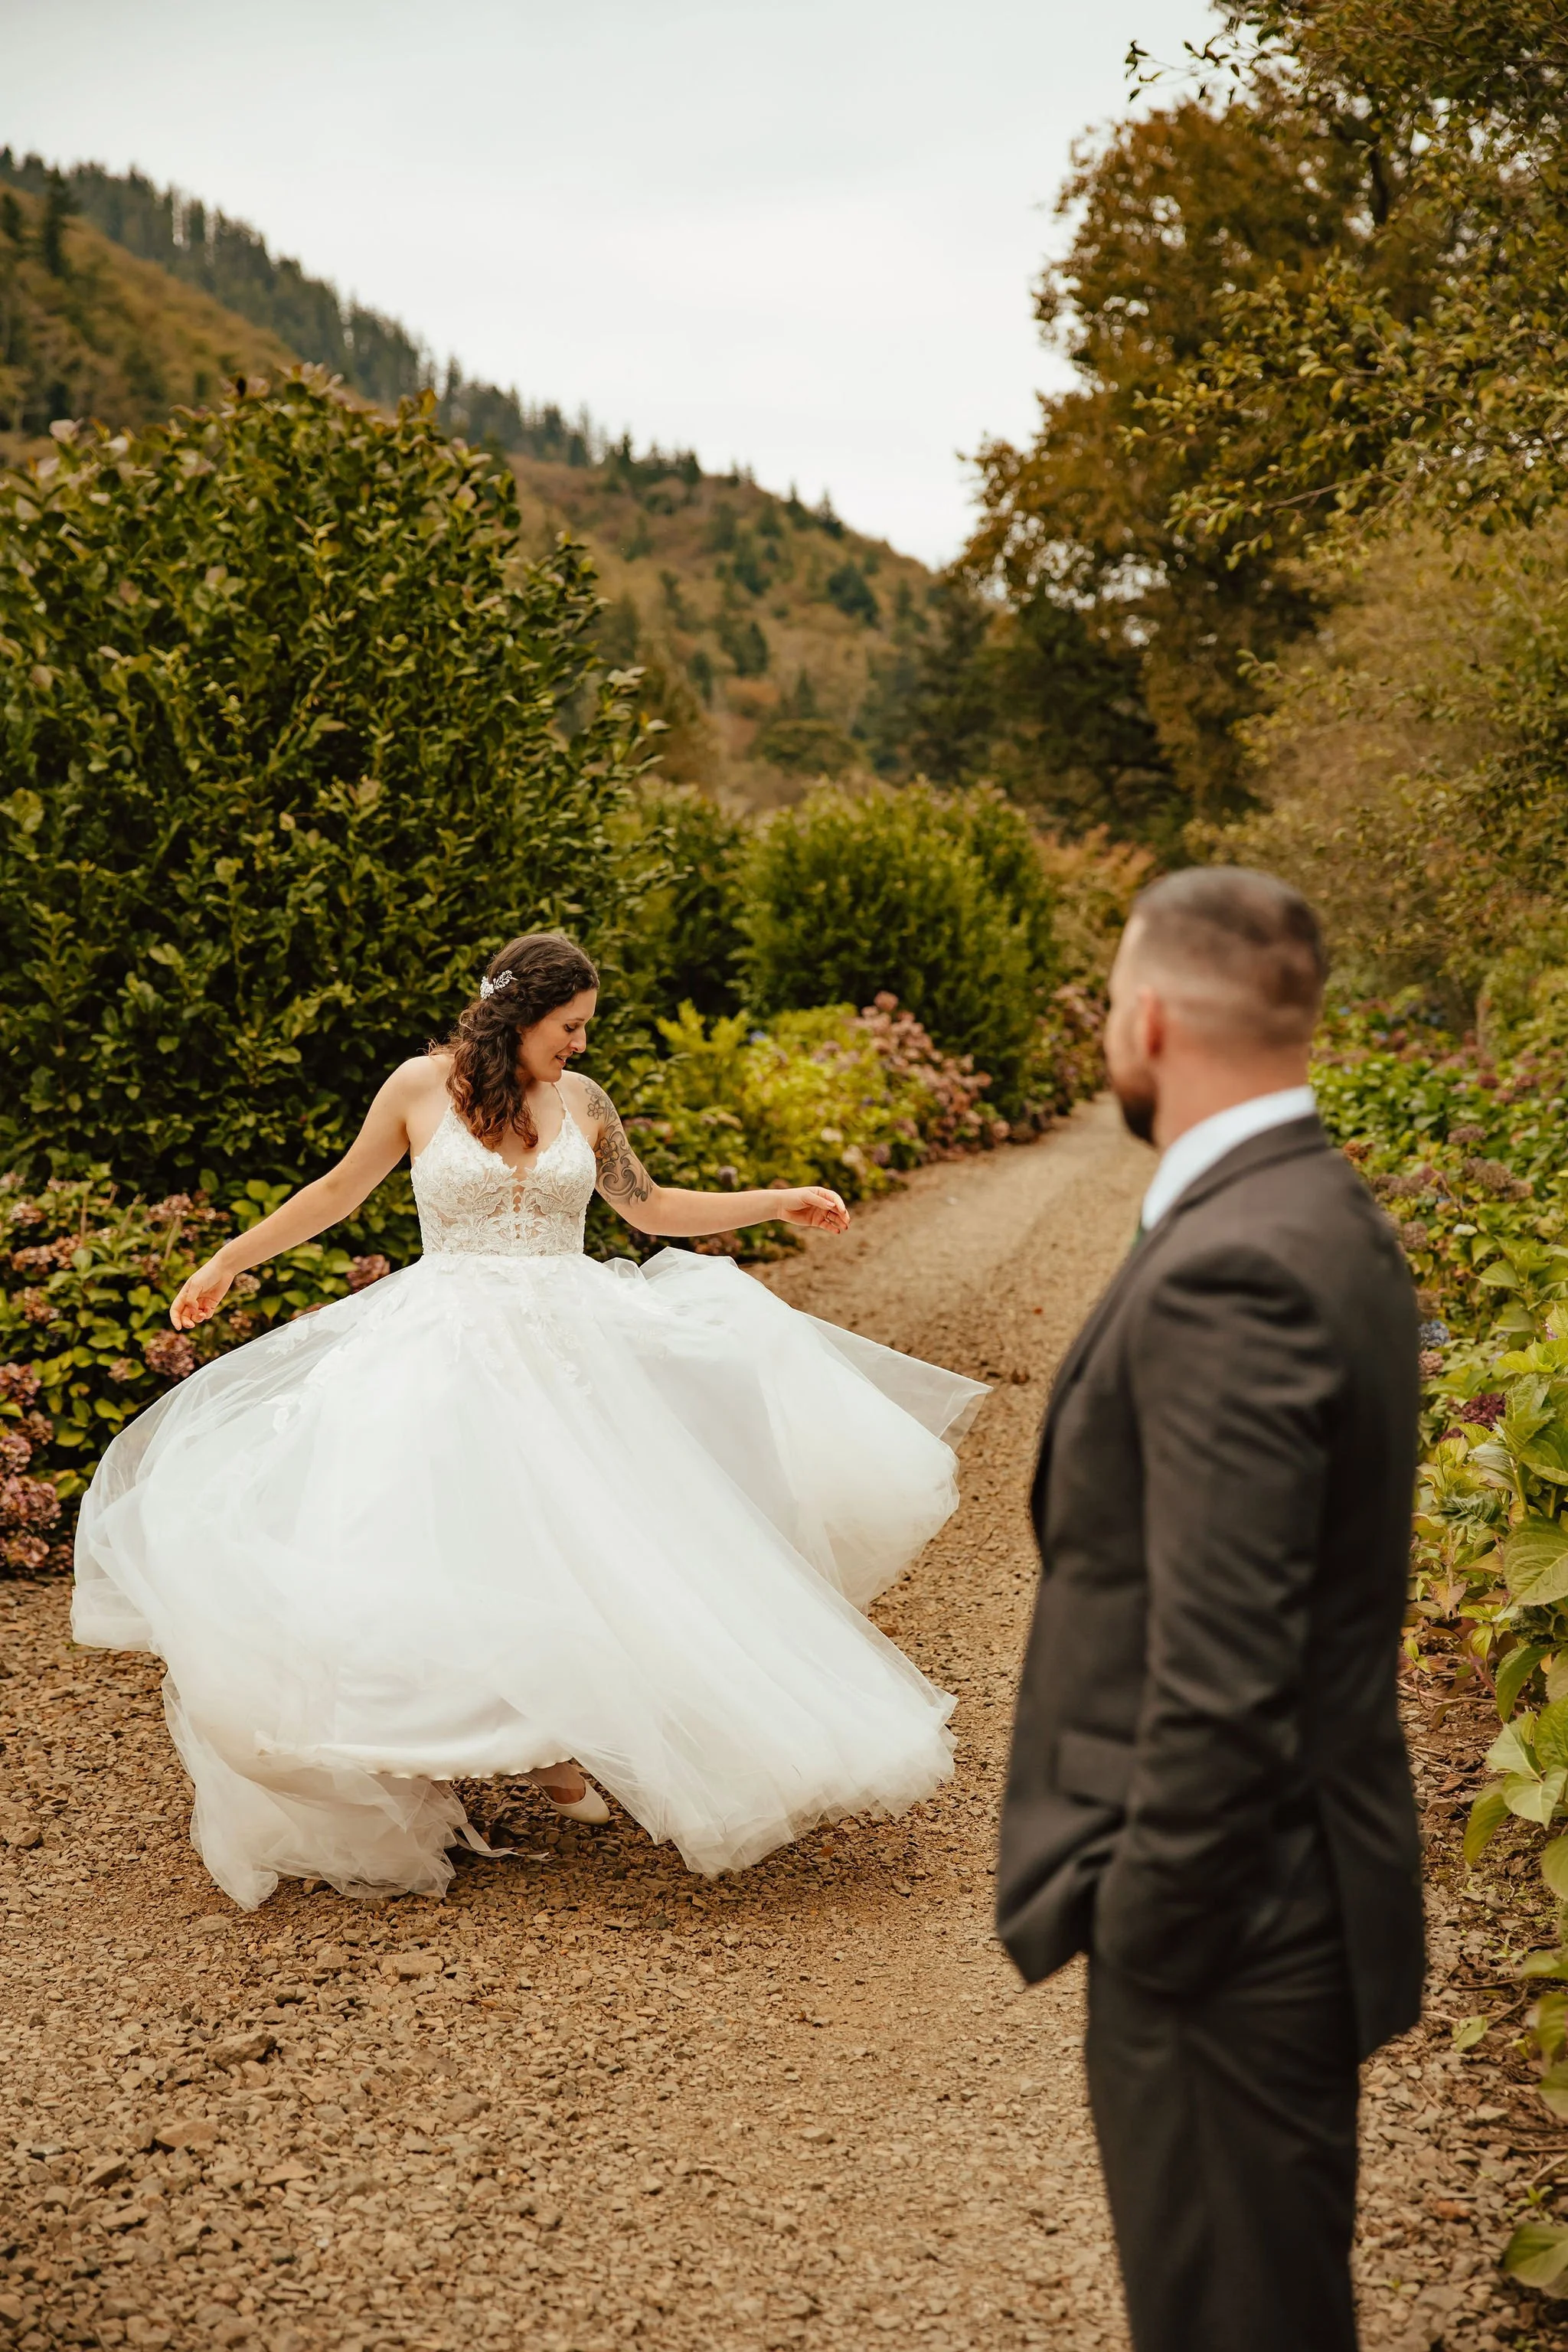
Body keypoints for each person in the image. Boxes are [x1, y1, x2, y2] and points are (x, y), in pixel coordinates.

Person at [74, 931, 985, 1909]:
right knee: (434, 1545)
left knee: (586, 1543)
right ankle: (439, 1746)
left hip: (568, 1347)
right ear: (518, 1013)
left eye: (584, 1028)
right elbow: (339, 1193)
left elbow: (650, 1206)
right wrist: (225, 1263)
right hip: (440, 1346)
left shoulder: (582, 1105)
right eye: (570, 1026)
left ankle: (554, 1740)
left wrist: (779, 1201)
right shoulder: (419, 1089)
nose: (580, 1045)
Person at [996, 869, 1424, 2352]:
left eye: (1113, 1002)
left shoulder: (1234, 1263)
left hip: (1235, 1936)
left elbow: (1226, 1671)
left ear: (1153, 1016)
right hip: (1285, 1896)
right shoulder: (1321, 1211)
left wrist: (1153, 1924)